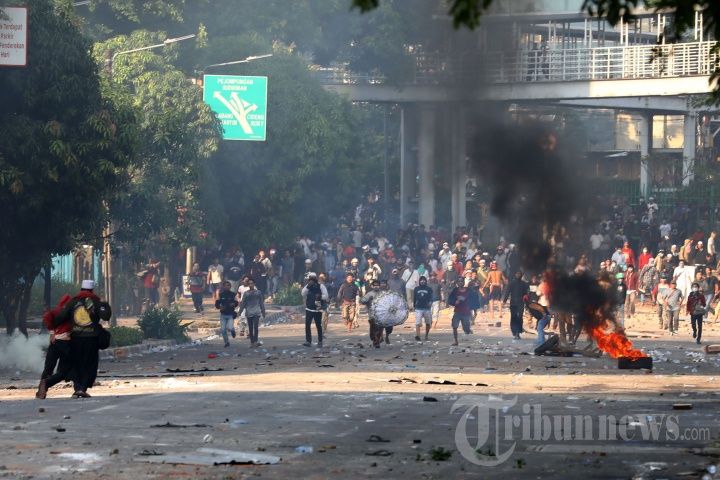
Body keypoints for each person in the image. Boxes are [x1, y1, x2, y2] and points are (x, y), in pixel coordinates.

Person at [62, 280, 109, 398]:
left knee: (76, 363)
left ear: (81, 289)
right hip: (91, 339)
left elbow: (63, 316)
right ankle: (82, 388)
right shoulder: (96, 302)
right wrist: (105, 304)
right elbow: (106, 316)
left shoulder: (73, 302)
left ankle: (77, 388)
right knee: (89, 364)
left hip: (75, 338)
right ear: (92, 290)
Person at [36, 294, 73, 399]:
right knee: (64, 371)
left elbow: (46, 316)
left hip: (54, 342)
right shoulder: (71, 312)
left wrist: (52, 332)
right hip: (66, 343)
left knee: (48, 368)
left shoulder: (56, 310)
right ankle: (46, 383)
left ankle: (41, 392)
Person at [301, 274, 328, 347]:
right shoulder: (308, 286)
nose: (312, 281)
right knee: (307, 325)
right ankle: (308, 341)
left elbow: (326, 296)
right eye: (310, 279)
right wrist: (308, 286)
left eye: (313, 279)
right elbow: (303, 294)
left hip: (317, 309)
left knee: (318, 325)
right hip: (309, 308)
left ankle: (320, 341)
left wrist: (320, 296)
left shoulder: (321, 286)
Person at [448, 278, 476, 346]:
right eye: (459, 281)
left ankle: (468, 330)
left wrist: (473, 308)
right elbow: (450, 299)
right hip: (457, 311)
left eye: (462, 281)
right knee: (454, 326)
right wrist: (455, 302)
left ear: (464, 282)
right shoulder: (455, 290)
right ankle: (456, 341)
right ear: (457, 283)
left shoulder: (468, 290)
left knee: (466, 329)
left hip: (466, 312)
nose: (461, 283)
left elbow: (474, 298)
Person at [238, 278, 265, 347]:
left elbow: (261, 303)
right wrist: (240, 311)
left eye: (252, 283)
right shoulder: (246, 293)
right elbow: (243, 303)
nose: (250, 285)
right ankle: (252, 342)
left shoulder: (258, 292)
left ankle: (255, 341)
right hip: (249, 312)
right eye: (249, 284)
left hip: (256, 312)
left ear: (254, 284)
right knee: (250, 327)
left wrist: (263, 311)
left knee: (255, 327)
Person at [503, 270, 529, 340]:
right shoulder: (511, 283)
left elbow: (526, 294)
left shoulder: (524, 284)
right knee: (514, 317)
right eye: (517, 274)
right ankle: (515, 332)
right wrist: (504, 301)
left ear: (521, 275)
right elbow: (507, 292)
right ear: (515, 274)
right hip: (513, 303)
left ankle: (518, 332)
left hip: (521, 303)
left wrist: (527, 304)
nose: (518, 275)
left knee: (520, 317)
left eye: (520, 274)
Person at [360, 280, 384, 348]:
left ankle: (377, 341)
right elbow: (362, 301)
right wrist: (367, 300)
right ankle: (374, 339)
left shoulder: (383, 293)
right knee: (373, 328)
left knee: (379, 328)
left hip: (381, 314)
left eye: (377, 285)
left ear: (379, 286)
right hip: (372, 314)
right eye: (375, 285)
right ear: (372, 286)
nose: (376, 287)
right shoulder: (369, 294)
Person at [215, 281, 239, 348]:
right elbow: (217, 304)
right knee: (223, 330)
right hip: (223, 314)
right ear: (223, 286)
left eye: (228, 285)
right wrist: (220, 307)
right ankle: (226, 342)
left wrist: (233, 304)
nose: (227, 287)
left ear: (230, 286)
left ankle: (233, 331)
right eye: (225, 285)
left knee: (231, 328)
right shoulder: (221, 295)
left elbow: (236, 303)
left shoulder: (233, 294)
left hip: (230, 314)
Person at [413, 276, 433, 341]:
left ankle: (426, 335)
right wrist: (414, 306)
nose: (422, 281)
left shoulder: (429, 289)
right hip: (418, 308)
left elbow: (431, 298)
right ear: (419, 281)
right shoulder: (416, 289)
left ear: (426, 281)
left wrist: (430, 302)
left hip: (427, 308)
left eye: (424, 280)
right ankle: (418, 336)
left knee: (428, 323)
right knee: (417, 322)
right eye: (421, 280)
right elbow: (414, 298)